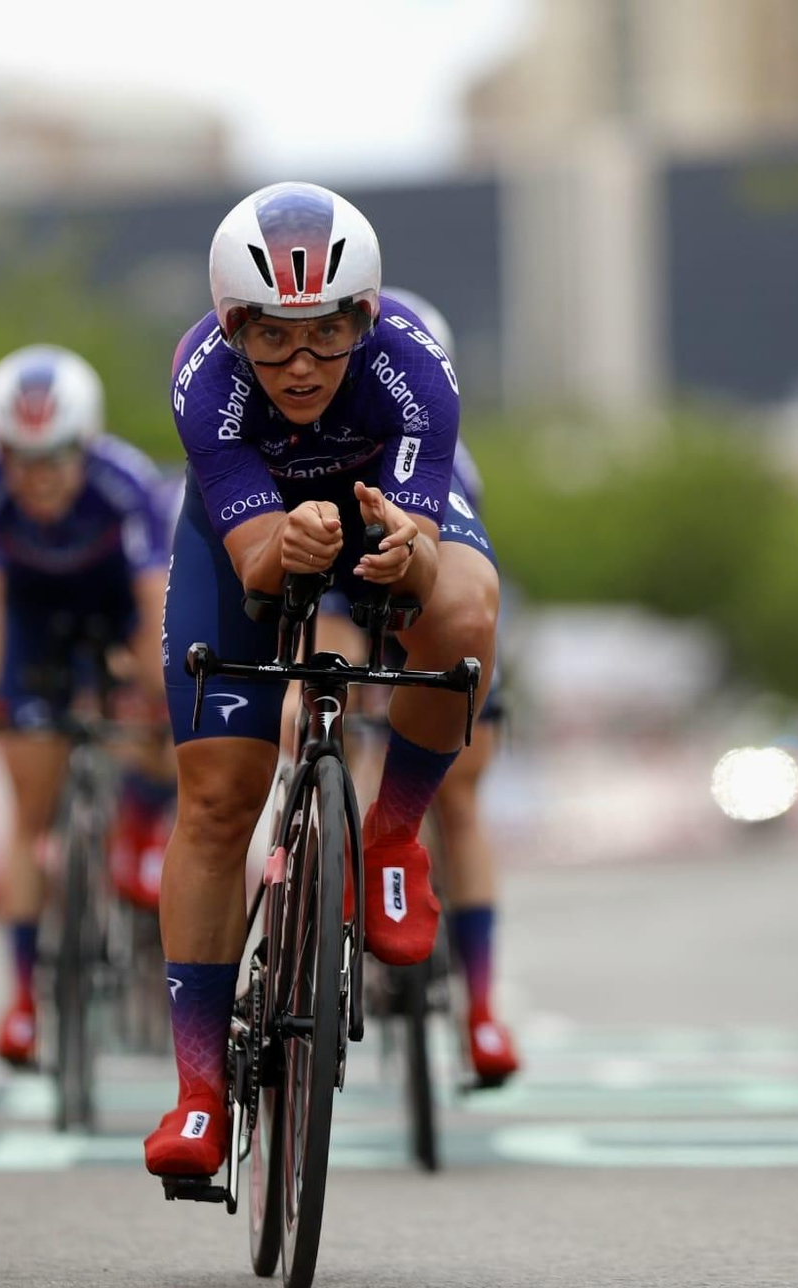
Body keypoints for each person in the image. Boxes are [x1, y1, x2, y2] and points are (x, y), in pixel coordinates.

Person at [144, 184, 503, 1179]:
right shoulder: (201, 376)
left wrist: (406, 562)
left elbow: (427, 552)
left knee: (467, 614)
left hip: (382, 522)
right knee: (217, 801)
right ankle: (199, 1093)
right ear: (232, 327)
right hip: (247, 544)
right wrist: (286, 547)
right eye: (272, 339)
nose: (301, 365)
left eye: (327, 334)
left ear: (364, 313)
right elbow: (257, 562)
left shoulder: (413, 368)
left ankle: (388, 833)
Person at [311, 286, 521, 1090]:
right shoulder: (315, 445)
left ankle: (483, 1009)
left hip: (430, 591)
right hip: (346, 592)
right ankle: (332, 850)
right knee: (332, 703)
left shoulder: (450, 455)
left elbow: (460, 584)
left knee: (460, 800)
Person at [0, 345, 171, 1069]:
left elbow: (154, 604)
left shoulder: (127, 484)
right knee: (29, 815)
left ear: (86, 444)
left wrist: (162, 689)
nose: (37, 478)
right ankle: (22, 999)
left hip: (115, 609)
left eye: (53, 459)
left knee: (172, 707)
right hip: (33, 627)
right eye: (20, 459)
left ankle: (142, 821)